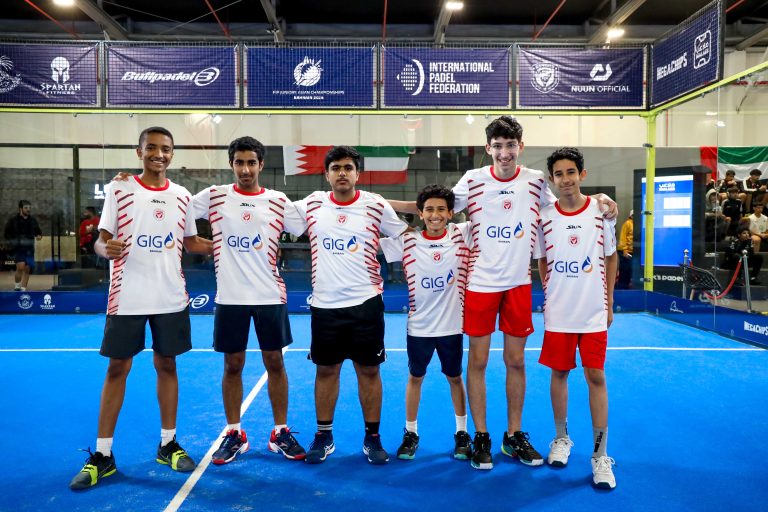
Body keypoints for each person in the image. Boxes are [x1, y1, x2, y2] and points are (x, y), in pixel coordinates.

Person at [389, 116, 616, 471]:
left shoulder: (536, 181)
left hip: (518, 285)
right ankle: (481, 436)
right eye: (498, 146)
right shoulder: (473, 180)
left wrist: (601, 198)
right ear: (488, 148)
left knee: (515, 361)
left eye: (511, 146)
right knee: (477, 363)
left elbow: (566, 201)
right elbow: (436, 204)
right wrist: (382, 205)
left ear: (520, 147)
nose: (504, 153)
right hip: (480, 285)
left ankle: (513, 435)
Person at [69, 127, 211, 490]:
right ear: (139, 151)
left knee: (167, 365)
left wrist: (233, 244)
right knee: (118, 368)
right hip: (127, 296)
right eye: (152, 148)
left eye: (165, 149)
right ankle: (103, 454)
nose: (158, 154)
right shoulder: (119, 189)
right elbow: (101, 241)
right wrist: (104, 249)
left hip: (170, 297)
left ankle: (168, 444)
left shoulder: (182, 196)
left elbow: (191, 242)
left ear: (172, 154)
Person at [286, 146, 408, 465]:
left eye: (348, 167)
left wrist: (380, 249)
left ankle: (373, 438)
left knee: (369, 370)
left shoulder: (375, 205)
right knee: (326, 370)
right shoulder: (312, 204)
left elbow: (403, 235)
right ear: (326, 174)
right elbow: (269, 215)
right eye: (336, 168)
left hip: (366, 304)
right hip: (325, 306)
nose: (342, 173)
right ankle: (323, 436)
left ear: (357, 173)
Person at [190, 136, 306, 463]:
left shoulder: (278, 201)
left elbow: (313, 222)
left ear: (261, 165)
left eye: (251, 162)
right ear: (231, 164)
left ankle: (280, 432)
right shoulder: (214, 196)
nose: (245, 169)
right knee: (233, 364)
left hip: (269, 294)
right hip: (230, 297)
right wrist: (129, 185)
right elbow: (174, 206)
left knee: (275, 362)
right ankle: (234, 433)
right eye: (239, 163)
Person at [535, 147, 618, 489]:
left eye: (571, 172)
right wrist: (550, 294)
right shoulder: (544, 216)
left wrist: (609, 302)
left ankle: (600, 455)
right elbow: (542, 261)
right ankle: (561, 438)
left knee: (595, 375)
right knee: (559, 373)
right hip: (559, 313)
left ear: (582, 174)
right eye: (559, 174)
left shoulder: (601, 211)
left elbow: (610, 257)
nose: (565, 179)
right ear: (552, 179)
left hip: (593, 310)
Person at [379, 184, 472, 461]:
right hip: (419, 327)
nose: (435, 215)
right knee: (415, 378)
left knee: (455, 378)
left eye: (441, 209)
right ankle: (411, 433)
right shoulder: (407, 241)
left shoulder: (462, 234)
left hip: (452, 326)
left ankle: (462, 432)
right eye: (429, 209)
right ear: (420, 213)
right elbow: (368, 235)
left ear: (451, 213)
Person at [4, 199, 42, 291]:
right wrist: (12, 242)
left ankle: (23, 289)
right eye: (26, 208)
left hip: (30, 248)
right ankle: (17, 286)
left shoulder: (33, 221)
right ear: (20, 209)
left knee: (27, 269)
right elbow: (6, 234)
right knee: (20, 267)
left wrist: (39, 236)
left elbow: (38, 232)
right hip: (19, 248)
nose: (28, 209)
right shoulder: (13, 221)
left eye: (29, 208)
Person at [616, 211, 633, 289]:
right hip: (625, 252)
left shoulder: (637, 224)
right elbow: (623, 238)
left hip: (632, 252)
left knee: (630, 272)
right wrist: (624, 250)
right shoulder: (627, 224)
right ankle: (622, 288)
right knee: (624, 272)